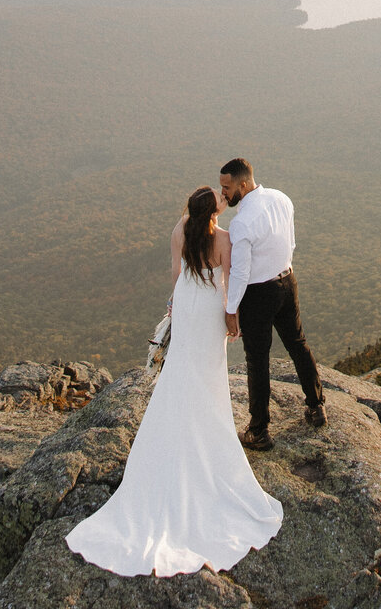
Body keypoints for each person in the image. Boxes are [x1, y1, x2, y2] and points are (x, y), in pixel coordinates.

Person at [65, 186, 283, 575]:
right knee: (208, 374)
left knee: (180, 370)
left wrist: (181, 303)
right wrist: (232, 318)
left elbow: (175, 275)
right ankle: (206, 434)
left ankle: (173, 435)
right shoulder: (226, 239)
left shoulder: (180, 229)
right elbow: (232, 281)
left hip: (186, 302)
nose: (223, 194)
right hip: (208, 309)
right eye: (219, 195)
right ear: (217, 209)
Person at [220, 158, 325, 451]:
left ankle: (259, 431)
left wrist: (231, 310)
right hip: (287, 280)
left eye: (227, 188)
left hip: (257, 293)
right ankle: (316, 406)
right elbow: (290, 242)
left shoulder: (241, 222)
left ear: (243, 184)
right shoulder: (281, 198)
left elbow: (240, 272)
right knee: (297, 343)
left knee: (257, 359)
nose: (223, 194)